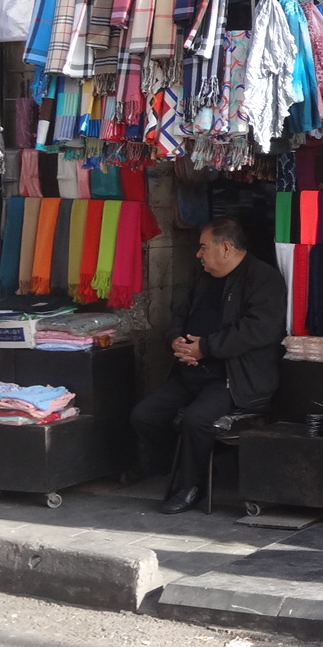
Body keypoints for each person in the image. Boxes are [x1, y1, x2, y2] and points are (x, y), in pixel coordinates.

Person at [130, 217, 287, 514]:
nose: (198, 254)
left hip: (234, 379)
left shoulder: (264, 279)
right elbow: (177, 315)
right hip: (190, 372)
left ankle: (192, 485)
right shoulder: (202, 279)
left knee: (196, 420)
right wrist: (176, 340)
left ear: (226, 248)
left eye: (203, 247)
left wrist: (205, 348)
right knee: (145, 415)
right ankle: (172, 468)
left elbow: (258, 330)